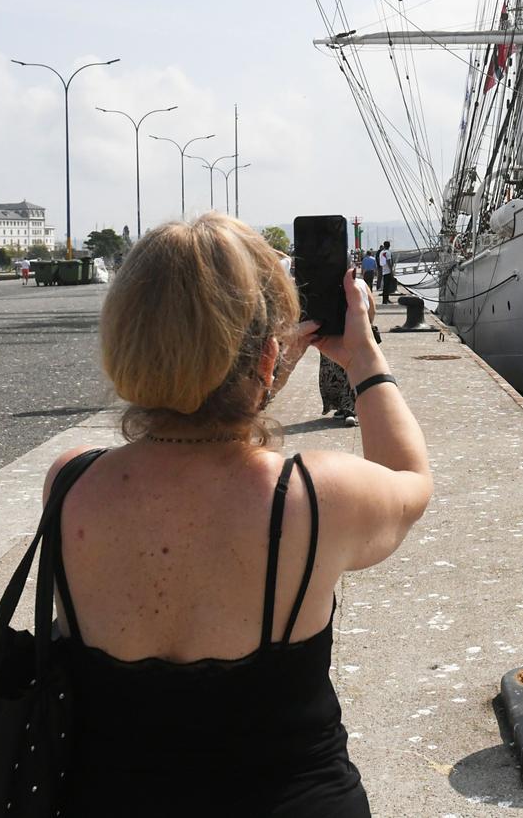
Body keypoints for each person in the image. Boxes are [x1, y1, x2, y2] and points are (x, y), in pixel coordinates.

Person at [35, 214, 430, 815]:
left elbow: (190, 414)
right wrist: (364, 358)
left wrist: (260, 368)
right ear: (268, 357)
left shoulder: (70, 482)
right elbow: (410, 481)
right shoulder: (312, 495)